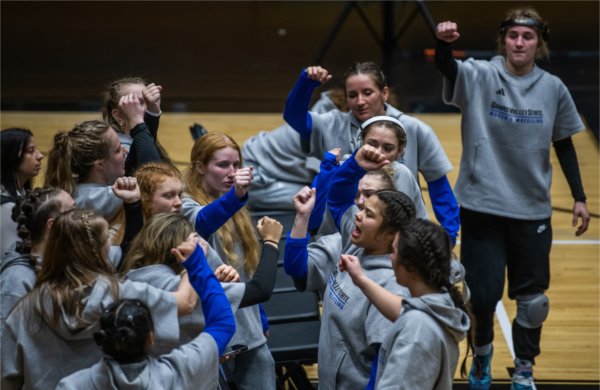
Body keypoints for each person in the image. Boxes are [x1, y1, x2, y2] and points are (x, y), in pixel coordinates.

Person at [435, 8, 591, 390]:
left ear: (539, 43)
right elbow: (449, 70)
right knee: (481, 298)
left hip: (531, 210)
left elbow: (565, 144)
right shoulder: (482, 74)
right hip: (481, 206)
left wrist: (580, 197)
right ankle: (483, 357)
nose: (519, 43)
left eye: (528, 36)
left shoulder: (553, 88)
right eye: (513, 36)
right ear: (503, 40)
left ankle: (524, 366)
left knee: (533, 301)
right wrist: (442, 45)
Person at [1, 208, 197, 390]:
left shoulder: (25, 309)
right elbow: (186, 302)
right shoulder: (121, 297)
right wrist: (194, 263)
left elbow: (8, 379)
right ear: (100, 250)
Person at [285, 145, 417, 389]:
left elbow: (385, 367)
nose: (357, 210)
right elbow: (337, 199)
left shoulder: (390, 286)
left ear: (389, 232)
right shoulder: (356, 241)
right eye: (360, 202)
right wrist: (355, 164)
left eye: (368, 211)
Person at [283, 62, 460, 244]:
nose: (360, 101)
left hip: (397, 238)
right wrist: (306, 83)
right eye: (352, 95)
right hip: (338, 237)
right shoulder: (331, 123)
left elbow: (439, 187)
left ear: (384, 93)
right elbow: (294, 117)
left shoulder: (415, 129)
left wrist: (450, 237)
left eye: (367, 93)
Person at [55, 234, 236, 390]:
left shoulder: (72, 385)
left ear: (100, 340)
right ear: (151, 338)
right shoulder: (179, 371)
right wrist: (198, 264)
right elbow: (223, 324)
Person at [182, 132, 274, 390]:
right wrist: (236, 195)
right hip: (213, 329)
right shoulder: (186, 204)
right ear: (200, 167)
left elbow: (246, 270)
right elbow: (203, 221)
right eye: (222, 165)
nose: (232, 172)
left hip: (249, 329)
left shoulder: (236, 206)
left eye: (236, 165)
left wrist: (262, 319)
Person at [120, 212, 282, 354]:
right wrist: (271, 242)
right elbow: (260, 290)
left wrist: (212, 281)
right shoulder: (181, 285)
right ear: (181, 250)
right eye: (196, 241)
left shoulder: (129, 279)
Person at [340, 218, 472, 389]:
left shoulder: (416, 333)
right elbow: (402, 309)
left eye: (393, 251)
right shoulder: (438, 303)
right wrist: (360, 279)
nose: (390, 257)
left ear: (409, 265)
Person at [242, 89, 345, 211]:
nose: (361, 101)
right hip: (255, 178)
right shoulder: (328, 124)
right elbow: (324, 179)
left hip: (276, 171)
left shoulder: (334, 116)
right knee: (325, 201)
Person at [0, 187, 74, 333]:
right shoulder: (15, 280)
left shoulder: (67, 262)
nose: (82, 217)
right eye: (73, 212)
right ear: (52, 225)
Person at [101, 76, 172, 173]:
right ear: (118, 115)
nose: (148, 107)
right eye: (137, 103)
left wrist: (153, 113)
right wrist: (138, 122)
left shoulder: (141, 136)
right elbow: (154, 177)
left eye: (148, 101)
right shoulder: (119, 149)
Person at [0, 128, 44, 256]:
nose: (40, 156)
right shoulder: (6, 208)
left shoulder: (23, 193)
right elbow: (11, 257)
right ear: (11, 158)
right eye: (31, 151)